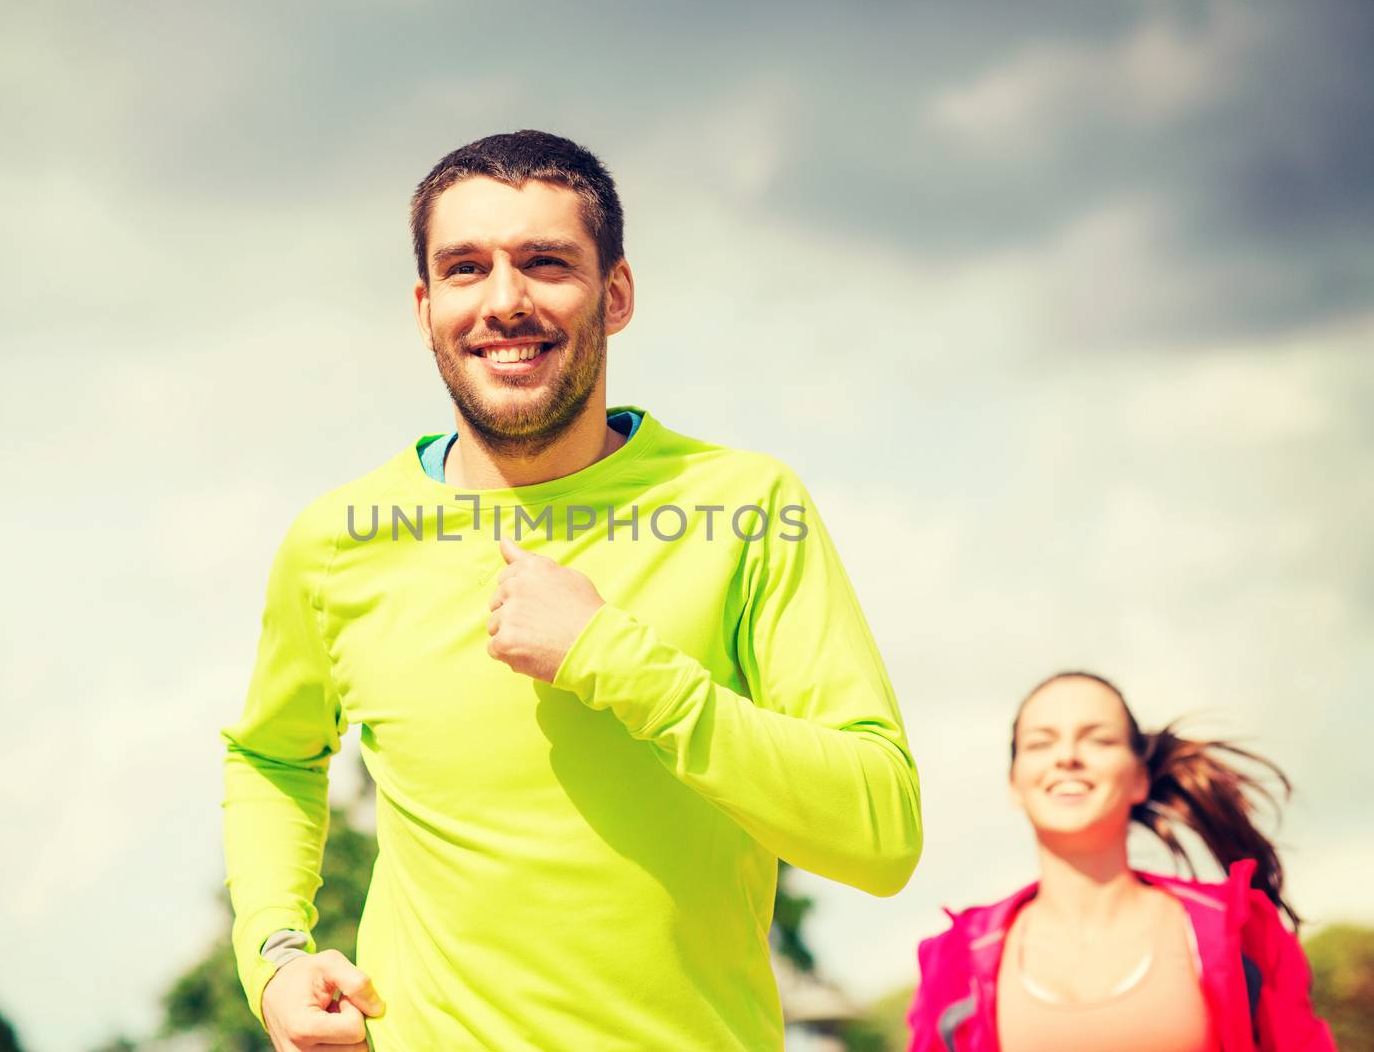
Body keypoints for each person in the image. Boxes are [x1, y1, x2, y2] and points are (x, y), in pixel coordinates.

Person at [220, 129, 923, 1051]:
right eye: (466, 269)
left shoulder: (745, 505)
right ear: (426, 307)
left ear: (616, 294)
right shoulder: (336, 540)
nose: (505, 301)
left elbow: (880, 832)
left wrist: (614, 659)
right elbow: (273, 756)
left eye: (546, 263)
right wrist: (274, 954)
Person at [907, 671, 1335, 1051]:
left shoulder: (1237, 928)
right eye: (1040, 743)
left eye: (1099, 739)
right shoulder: (957, 957)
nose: (1067, 757)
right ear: (1014, 784)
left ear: (1139, 779)